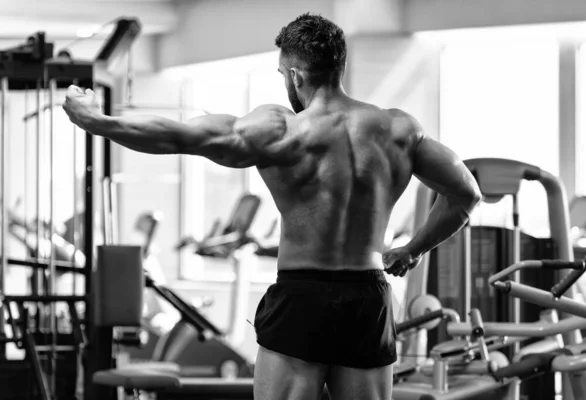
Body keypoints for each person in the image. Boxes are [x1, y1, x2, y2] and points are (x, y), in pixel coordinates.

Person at [63, 13, 482, 400]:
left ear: (296, 74)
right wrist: (413, 249)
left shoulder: (282, 131)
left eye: (283, 74)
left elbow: (178, 137)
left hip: (303, 295)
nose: (285, 82)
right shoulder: (398, 130)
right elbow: (466, 195)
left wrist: (96, 121)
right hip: (368, 297)